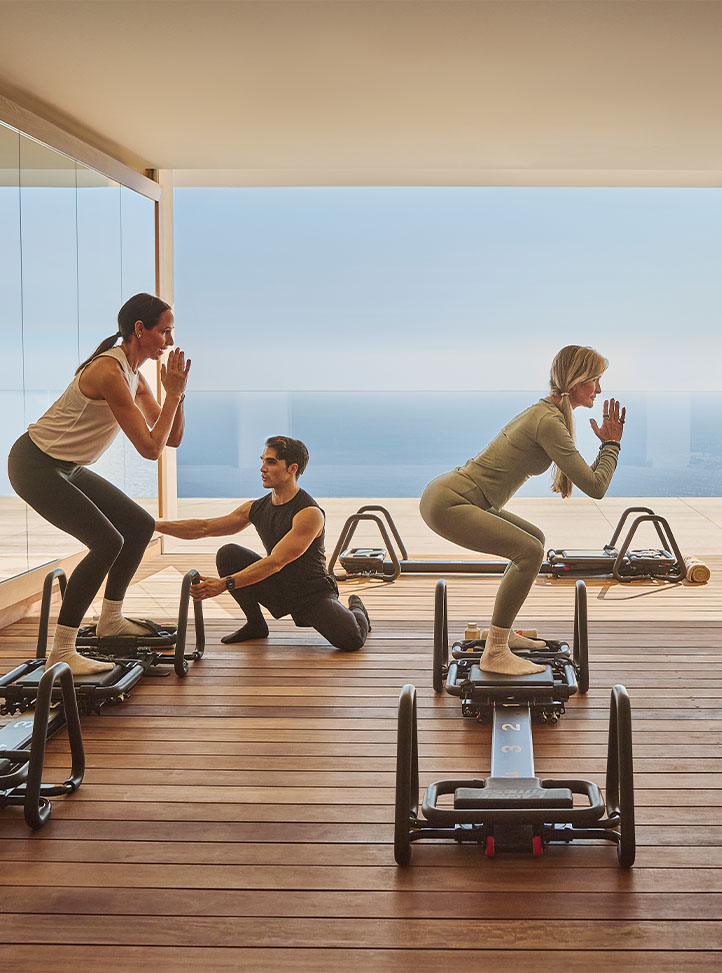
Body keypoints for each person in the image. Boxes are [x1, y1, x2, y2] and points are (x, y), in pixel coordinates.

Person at [8, 293, 190, 676]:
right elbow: (149, 449)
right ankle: (63, 650)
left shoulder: (134, 375)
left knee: (138, 526)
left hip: (65, 466)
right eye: (165, 331)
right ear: (140, 329)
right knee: (108, 542)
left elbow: (171, 437)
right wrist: (171, 393)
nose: (169, 341)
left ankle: (111, 619)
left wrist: (179, 393)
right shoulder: (110, 372)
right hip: (34, 464)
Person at [419, 345, 625, 676]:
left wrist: (606, 447)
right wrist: (611, 445)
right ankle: (496, 651)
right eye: (595, 381)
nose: (599, 390)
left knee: (534, 539)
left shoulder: (549, 413)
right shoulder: (548, 421)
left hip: (459, 496)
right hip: (450, 501)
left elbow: (589, 479)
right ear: (576, 380)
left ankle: (503, 633)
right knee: (529, 552)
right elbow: (596, 487)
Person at [155, 436, 371, 652]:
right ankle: (255, 624)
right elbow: (205, 527)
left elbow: (276, 561)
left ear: (291, 469)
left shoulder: (309, 514)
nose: (262, 468)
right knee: (228, 554)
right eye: (263, 461)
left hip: (311, 593)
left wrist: (224, 583)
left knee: (352, 640)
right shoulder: (256, 508)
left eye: (271, 462)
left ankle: (356, 607)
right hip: (277, 586)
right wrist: (155, 526)